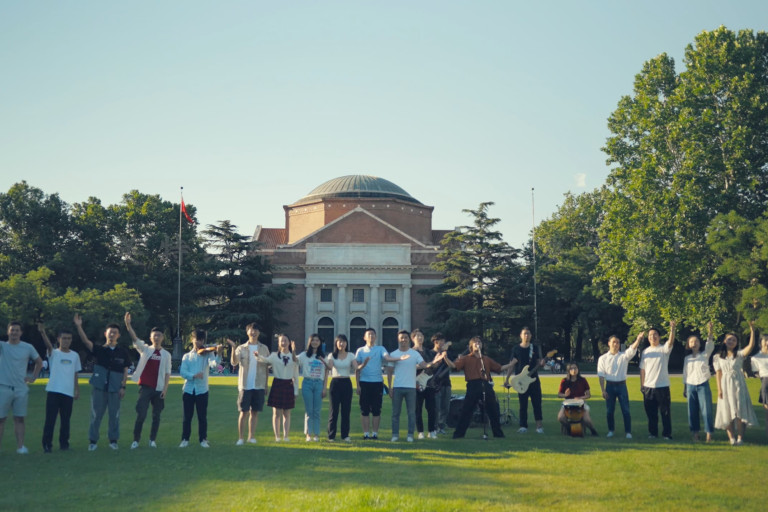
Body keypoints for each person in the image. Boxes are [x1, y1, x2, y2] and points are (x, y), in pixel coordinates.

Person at [74, 314, 131, 451]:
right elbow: (86, 341)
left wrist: (123, 386)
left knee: (114, 416)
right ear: (105, 333)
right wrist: (79, 326)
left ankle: (113, 440)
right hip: (99, 387)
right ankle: (93, 441)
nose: (112, 334)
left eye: (115, 332)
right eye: (110, 332)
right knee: (96, 415)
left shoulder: (122, 352)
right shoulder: (99, 350)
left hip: (115, 388)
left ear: (118, 335)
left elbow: (125, 371)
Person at [444, 336, 512, 439]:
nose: (478, 344)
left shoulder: (486, 359)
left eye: (479, 342)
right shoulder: (465, 358)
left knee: (493, 409)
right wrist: (445, 358)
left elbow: (499, 368)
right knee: (466, 411)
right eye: (475, 342)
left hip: (486, 384)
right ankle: (458, 434)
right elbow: (454, 366)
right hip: (473, 385)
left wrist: (512, 364)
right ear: (471, 346)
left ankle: (498, 433)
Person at [124, 312, 172, 449]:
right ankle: (136, 440)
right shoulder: (145, 350)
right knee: (141, 414)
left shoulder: (166, 355)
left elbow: (168, 373)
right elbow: (135, 338)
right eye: (154, 335)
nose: (156, 337)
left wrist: (165, 389)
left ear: (162, 337)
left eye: (159, 335)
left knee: (156, 416)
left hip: (159, 388)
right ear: (151, 337)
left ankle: (152, 440)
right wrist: (128, 325)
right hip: (145, 387)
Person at [0, 321, 43, 454]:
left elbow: (39, 362)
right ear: (8, 332)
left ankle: (20, 447)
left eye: (17, 330)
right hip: (4, 387)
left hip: (21, 388)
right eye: (12, 330)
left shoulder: (27, 347)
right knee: (1, 419)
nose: (14, 332)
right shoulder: (2, 346)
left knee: (19, 418)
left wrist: (33, 377)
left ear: (21, 332)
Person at [714, 322, 759, 445]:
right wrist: (719, 389)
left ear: (736, 343)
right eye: (729, 339)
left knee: (739, 411)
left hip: (738, 384)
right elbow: (718, 373)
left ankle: (740, 438)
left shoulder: (739, 354)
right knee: (727, 411)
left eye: (734, 340)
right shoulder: (718, 357)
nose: (731, 341)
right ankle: (731, 438)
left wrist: (752, 330)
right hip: (725, 385)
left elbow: (751, 346)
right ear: (724, 341)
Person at [354, 328, 404, 440]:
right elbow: (357, 369)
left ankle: (375, 434)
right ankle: (366, 433)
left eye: (373, 334)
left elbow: (387, 357)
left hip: (377, 383)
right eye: (369, 334)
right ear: (364, 337)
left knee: (377, 409)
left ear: (376, 337)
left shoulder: (380, 348)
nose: (371, 336)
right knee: (364, 410)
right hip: (364, 383)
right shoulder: (360, 351)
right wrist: (357, 385)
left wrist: (399, 358)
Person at [38, 323, 81, 453]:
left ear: (71, 340)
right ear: (58, 339)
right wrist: (43, 333)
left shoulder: (75, 355)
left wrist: (77, 389)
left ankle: (64, 444)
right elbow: (48, 346)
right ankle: (47, 444)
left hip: (68, 392)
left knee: (65, 420)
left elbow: (75, 373)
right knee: (50, 420)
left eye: (69, 338)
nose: (66, 341)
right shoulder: (54, 353)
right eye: (64, 338)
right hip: (54, 391)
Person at [226, 323, 269, 446]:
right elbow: (234, 362)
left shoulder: (264, 348)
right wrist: (233, 348)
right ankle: (240, 438)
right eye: (251, 330)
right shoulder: (241, 348)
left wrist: (266, 385)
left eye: (256, 330)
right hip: (245, 386)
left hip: (259, 385)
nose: (253, 332)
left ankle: (251, 437)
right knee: (243, 412)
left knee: (254, 412)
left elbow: (266, 367)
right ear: (247, 332)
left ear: (259, 333)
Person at [179, 329, 222, 448]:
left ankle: (203, 439)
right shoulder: (187, 356)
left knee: (202, 417)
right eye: (196, 339)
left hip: (202, 390)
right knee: (187, 417)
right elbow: (183, 372)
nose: (199, 342)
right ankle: (185, 439)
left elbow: (214, 365)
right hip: (188, 389)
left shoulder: (208, 354)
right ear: (192, 339)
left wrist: (219, 354)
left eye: (201, 340)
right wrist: (193, 375)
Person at [597, 332, 643, 439]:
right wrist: (603, 390)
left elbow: (632, 349)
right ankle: (611, 430)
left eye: (618, 342)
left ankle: (628, 432)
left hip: (622, 386)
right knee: (609, 411)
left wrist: (638, 339)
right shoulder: (603, 358)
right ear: (609, 343)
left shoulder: (624, 356)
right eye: (614, 342)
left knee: (625, 410)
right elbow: (601, 375)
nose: (616, 344)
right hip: (609, 386)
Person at [256, 334, 299, 442]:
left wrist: (296, 391)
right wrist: (257, 355)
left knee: (287, 413)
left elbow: (296, 376)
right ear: (279, 343)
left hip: (288, 384)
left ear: (289, 342)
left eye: (285, 340)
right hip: (277, 384)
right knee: (276, 413)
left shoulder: (293, 357)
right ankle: (277, 436)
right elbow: (265, 360)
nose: (283, 343)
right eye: (281, 341)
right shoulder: (274, 356)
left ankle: (286, 436)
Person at [639, 321, 676, 440]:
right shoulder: (645, 352)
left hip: (662, 386)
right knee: (651, 413)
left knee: (665, 412)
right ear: (648, 338)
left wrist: (672, 329)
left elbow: (670, 342)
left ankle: (667, 434)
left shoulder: (664, 349)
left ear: (659, 337)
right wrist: (642, 385)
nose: (653, 337)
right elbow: (642, 370)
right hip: (648, 387)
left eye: (655, 334)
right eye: (650, 335)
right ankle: (653, 433)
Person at [505, 327, 545, 434]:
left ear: (531, 336)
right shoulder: (516, 349)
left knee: (537, 403)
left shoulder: (534, 348)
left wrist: (542, 363)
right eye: (524, 334)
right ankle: (523, 426)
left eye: (528, 333)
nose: (526, 335)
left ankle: (539, 426)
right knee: (523, 404)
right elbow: (511, 365)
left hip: (533, 380)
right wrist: (507, 379)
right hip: (521, 380)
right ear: (521, 335)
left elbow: (539, 362)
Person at [386, 330, 424, 442]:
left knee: (411, 413)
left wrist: (434, 362)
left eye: (405, 337)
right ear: (398, 339)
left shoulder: (414, 354)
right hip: (397, 387)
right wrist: (390, 387)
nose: (403, 340)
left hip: (411, 388)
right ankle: (395, 435)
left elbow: (423, 364)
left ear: (409, 339)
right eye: (401, 338)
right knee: (395, 413)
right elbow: (389, 372)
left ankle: (410, 435)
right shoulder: (393, 354)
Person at [682, 322, 715, 442]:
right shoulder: (687, 359)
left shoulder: (704, 355)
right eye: (691, 342)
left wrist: (710, 331)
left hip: (703, 384)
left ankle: (709, 434)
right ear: (688, 345)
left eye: (696, 341)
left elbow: (709, 344)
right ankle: (695, 434)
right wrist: (685, 388)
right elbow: (685, 374)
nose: (694, 343)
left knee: (707, 410)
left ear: (700, 344)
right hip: (690, 385)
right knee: (692, 411)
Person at [326, 334, 358, 442]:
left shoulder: (351, 355)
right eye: (339, 341)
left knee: (346, 410)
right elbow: (330, 367)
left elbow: (356, 367)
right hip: (335, 383)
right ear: (336, 343)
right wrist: (323, 361)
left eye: (343, 341)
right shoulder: (332, 355)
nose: (341, 343)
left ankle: (345, 435)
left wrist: (364, 364)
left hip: (346, 383)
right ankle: (331, 435)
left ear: (346, 343)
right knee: (333, 411)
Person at [297, 333, 328, 442]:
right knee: (309, 410)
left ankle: (316, 434)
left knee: (317, 411)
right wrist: (292, 350)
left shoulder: (323, 357)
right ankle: (308, 434)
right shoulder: (304, 355)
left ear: (320, 343)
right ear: (310, 342)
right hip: (307, 383)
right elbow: (294, 360)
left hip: (319, 383)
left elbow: (327, 371)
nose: (315, 342)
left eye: (317, 340)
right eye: (313, 340)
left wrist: (325, 388)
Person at [557, 362, 598, 436]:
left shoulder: (583, 380)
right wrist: (565, 395)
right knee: (560, 417)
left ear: (578, 369)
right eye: (571, 369)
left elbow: (588, 395)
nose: (573, 370)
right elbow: (559, 395)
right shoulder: (564, 381)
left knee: (586, 419)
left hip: (581, 403)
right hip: (567, 404)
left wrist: (579, 398)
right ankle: (570, 429)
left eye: (575, 368)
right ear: (568, 370)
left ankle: (593, 430)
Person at [411, 329, 437, 439]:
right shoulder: (411, 352)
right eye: (417, 336)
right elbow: (411, 366)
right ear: (413, 338)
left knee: (431, 409)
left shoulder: (429, 352)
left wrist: (436, 362)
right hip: (416, 383)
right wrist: (426, 365)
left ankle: (431, 431)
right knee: (418, 409)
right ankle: (420, 432)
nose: (420, 338)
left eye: (421, 335)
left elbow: (433, 366)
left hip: (430, 383)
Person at [430, 333, 453, 435]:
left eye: (444, 341)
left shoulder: (447, 353)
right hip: (434, 384)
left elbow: (452, 365)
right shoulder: (430, 353)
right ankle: (434, 427)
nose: (444, 343)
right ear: (436, 342)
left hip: (446, 383)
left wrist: (445, 355)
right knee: (436, 407)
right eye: (442, 341)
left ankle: (442, 426)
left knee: (446, 407)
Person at [750, 334, 768, 440]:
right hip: (765, 383)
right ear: (761, 342)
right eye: (765, 340)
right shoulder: (756, 358)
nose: (767, 343)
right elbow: (756, 373)